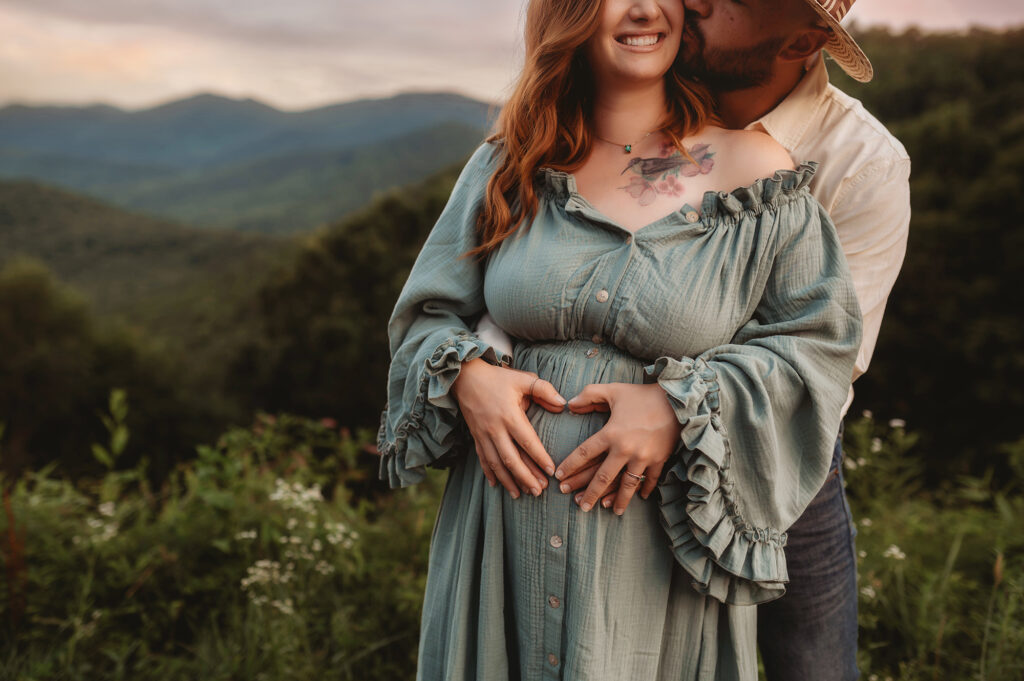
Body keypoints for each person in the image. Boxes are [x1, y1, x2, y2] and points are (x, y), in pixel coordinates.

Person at [377, 0, 862, 678]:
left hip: (654, 566)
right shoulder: (508, 166)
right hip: (498, 553)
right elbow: (424, 316)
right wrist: (468, 376)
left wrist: (677, 406)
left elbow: (818, 347)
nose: (641, 7)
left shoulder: (753, 172)